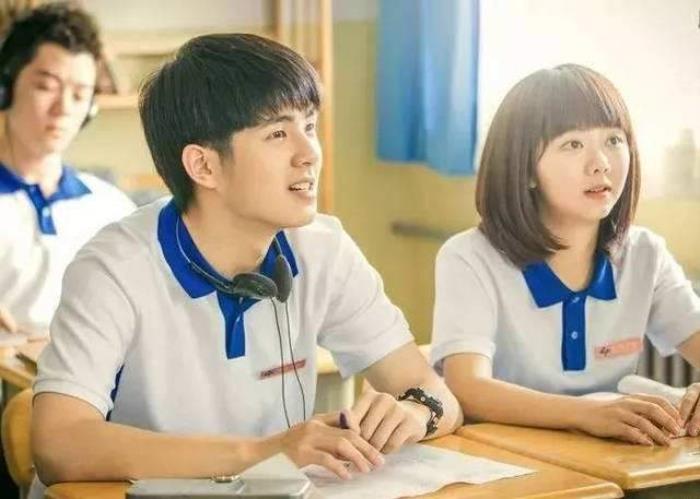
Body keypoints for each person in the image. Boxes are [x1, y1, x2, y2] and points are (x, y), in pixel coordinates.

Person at [30, 33, 462, 496]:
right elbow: (59, 445)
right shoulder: (113, 268)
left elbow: (437, 394)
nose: (309, 153)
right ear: (204, 166)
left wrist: (415, 411)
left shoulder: (323, 248)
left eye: (309, 126)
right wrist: (265, 452)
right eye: (277, 134)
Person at [431, 64, 700, 446]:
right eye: (573, 144)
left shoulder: (644, 254)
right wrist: (586, 415)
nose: (601, 162)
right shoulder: (469, 257)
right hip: (501, 461)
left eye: (613, 139)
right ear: (525, 169)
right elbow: (468, 387)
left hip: (608, 463)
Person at [0, 2, 135, 336]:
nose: (63, 108)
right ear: (6, 89)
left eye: (79, 94)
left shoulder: (112, 210)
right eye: (46, 87)